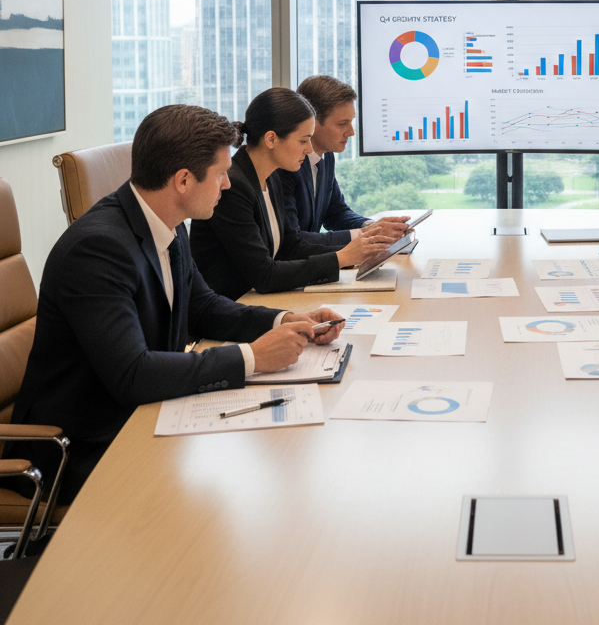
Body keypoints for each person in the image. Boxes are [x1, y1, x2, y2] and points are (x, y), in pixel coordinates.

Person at [11, 105, 344, 500]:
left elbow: (203, 308)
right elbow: (133, 374)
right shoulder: (97, 248)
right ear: (183, 180)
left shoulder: (167, 222)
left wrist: (285, 320)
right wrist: (253, 357)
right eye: (221, 174)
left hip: (145, 416)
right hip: (79, 449)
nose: (227, 184)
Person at [190, 87, 391, 301]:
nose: (309, 149)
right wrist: (341, 258)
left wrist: (361, 251)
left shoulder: (271, 178)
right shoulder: (234, 186)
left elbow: (290, 246)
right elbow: (265, 275)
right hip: (233, 307)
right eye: (303, 141)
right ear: (271, 139)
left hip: (256, 301)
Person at [282, 75, 408, 248]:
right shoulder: (286, 165)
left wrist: (373, 227)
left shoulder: (326, 157)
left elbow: (336, 213)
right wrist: (364, 235)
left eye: (351, 122)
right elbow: (292, 240)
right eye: (342, 124)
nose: (351, 132)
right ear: (311, 122)